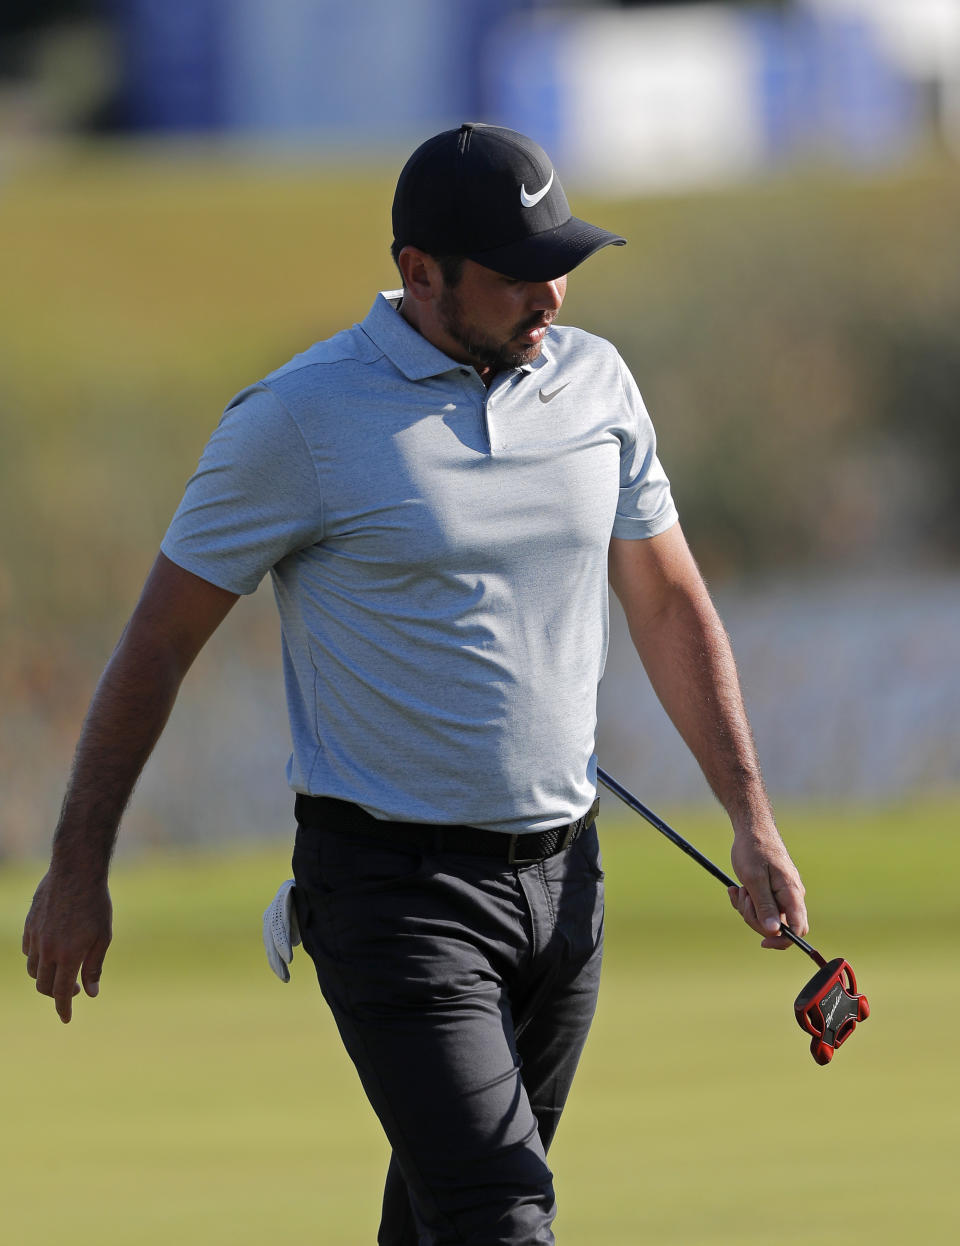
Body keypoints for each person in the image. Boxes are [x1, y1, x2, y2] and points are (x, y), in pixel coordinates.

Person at [23, 123, 808, 1245]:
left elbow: (671, 603)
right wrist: (76, 865)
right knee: (503, 1210)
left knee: (446, 1217)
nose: (550, 295)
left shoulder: (596, 383)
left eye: (561, 265)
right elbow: (155, 645)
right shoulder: (298, 421)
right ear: (418, 273)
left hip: (565, 881)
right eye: (517, 274)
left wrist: (752, 819)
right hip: (393, 889)